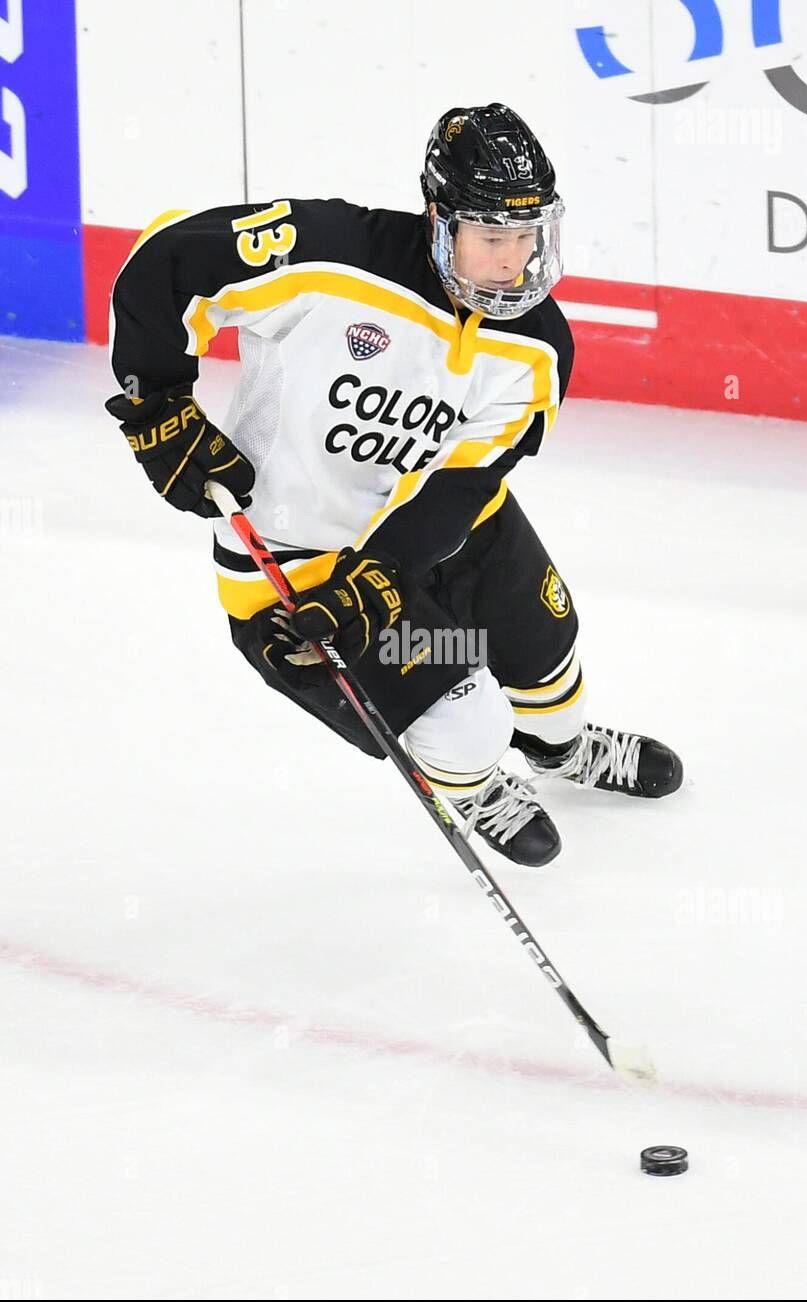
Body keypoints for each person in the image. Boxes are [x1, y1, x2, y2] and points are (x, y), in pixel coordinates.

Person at [105, 102, 683, 868]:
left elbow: (470, 477)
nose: (513, 261)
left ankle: (560, 750)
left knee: (549, 656)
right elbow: (168, 259)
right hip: (299, 557)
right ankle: (475, 783)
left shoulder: (539, 348)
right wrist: (159, 404)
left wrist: (383, 572)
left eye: (526, 235)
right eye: (491, 237)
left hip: (440, 528)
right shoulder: (335, 255)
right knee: (465, 724)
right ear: (440, 220)